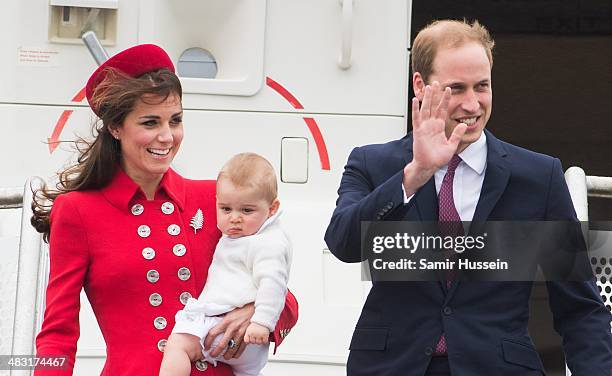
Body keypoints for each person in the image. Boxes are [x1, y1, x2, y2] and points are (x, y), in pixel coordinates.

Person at [324, 19, 612, 376]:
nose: (472, 104)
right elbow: (342, 243)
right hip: (392, 366)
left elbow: (581, 307)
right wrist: (414, 175)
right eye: (456, 88)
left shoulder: (539, 177)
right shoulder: (374, 163)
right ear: (420, 85)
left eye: (482, 86)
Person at [31, 44, 298, 375]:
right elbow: (58, 333)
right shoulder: (77, 211)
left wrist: (255, 311)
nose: (167, 136)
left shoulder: (214, 198)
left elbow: (281, 288)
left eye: (176, 120)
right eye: (150, 122)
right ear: (116, 128)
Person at [159, 152, 291, 376]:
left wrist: (261, 321)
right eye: (226, 209)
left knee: (178, 345)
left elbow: (274, 283)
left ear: (272, 209)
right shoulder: (255, 232)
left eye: (247, 210)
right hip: (251, 348)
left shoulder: (266, 243)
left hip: (225, 326)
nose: (235, 218)